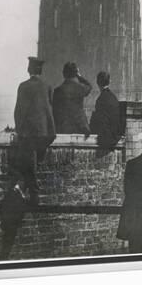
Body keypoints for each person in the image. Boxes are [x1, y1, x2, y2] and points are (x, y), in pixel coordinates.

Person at [10, 56, 56, 206]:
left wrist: (19, 129)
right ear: (40, 70)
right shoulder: (48, 86)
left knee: (28, 163)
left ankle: (33, 195)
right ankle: (23, 186)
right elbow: (49, 108)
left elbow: (19, 112)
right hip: (46, 134)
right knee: (33, 163)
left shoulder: (23, 86)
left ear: (28, 69)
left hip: (30, 134)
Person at [52, 62, 92, 135]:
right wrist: (79, 76)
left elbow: (54, 111)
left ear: (64, 74)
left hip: (63, 128)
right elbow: (89, 86)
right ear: (75, 74)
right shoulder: (81, 88)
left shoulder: (58, 91)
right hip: (80, 128)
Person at [87, 71, 121, 151]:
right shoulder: (113, 97)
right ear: (109, 82)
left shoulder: (101, 99)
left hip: (106, 137)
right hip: (115, 135)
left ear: (97, 83)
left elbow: (99, 120)